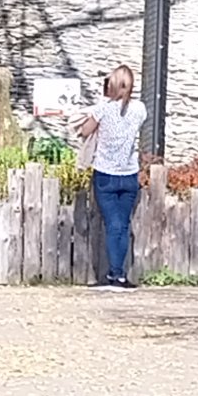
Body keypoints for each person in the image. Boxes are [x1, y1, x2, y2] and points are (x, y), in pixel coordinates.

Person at [76, 64, 147, 287]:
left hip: (105, 173)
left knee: (113, 225)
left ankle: (116, 274)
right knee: (123, 225)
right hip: (128, 174)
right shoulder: (140, 109)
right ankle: (118, 273)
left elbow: (84, 131)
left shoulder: (103, 109)